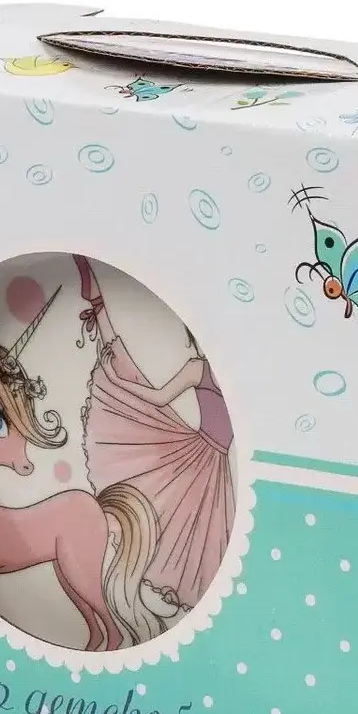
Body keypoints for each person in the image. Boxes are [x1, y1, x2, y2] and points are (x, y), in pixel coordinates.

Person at [76, 255, 235, 609]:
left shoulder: (229, 375)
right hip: (195, 453)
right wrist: (117, 381)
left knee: (199, 532)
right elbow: (159, 397)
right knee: (166, 513)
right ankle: (97, 301)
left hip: (218, 466)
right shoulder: (198, 368)